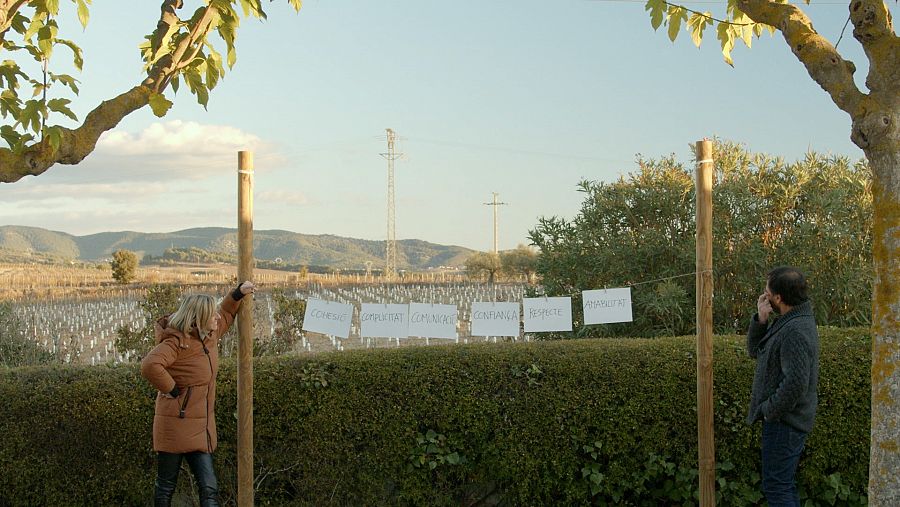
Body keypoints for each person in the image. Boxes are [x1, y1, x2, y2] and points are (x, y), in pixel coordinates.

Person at [140, 281, 256, 507]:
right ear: (199, 317)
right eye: (210, 314)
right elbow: (149, 365)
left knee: (209, 487)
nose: (216, 317)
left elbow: (226, 312)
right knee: (166, 487)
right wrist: (171, 389)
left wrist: (237, 293)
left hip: (200, 428)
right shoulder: (175, 342)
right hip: (175, 423)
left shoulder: (209, 336)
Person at [746, 267, 819, 507]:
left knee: (777, 488)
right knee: (781, 485)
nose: (764, 296)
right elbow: (755, 351)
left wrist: (769, 410)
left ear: (778, 298)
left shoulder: (795, 330)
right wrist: (761, 320)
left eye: (767, 292)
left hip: (784, 423)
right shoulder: (791, 320)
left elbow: (796, 383)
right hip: (783, 421)